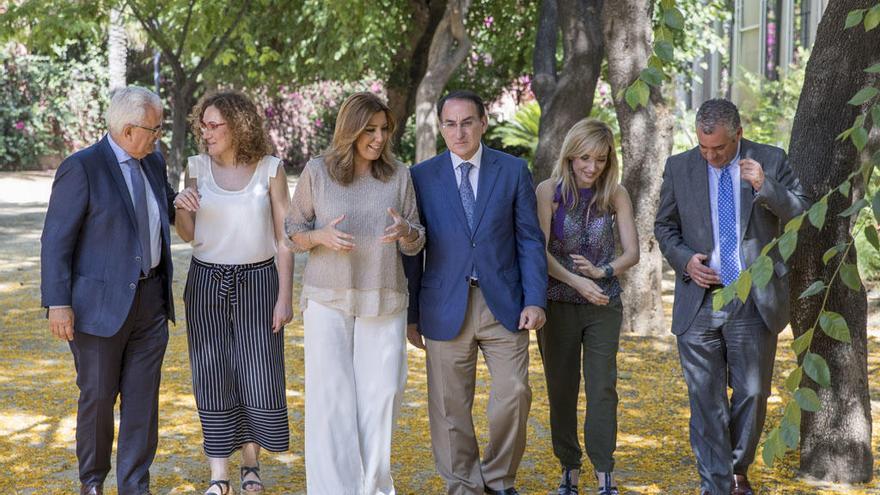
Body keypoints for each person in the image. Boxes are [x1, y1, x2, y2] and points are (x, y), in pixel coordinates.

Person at [654, 98, 810, 495]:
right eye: (703, 147)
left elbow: (803, 215)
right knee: (705, 400)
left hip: (753, 299)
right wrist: (685, 260)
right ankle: (718, 485)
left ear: (738, 134)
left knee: (753, 393)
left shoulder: (770, 160)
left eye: (719, 148)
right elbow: (664, 227)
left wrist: (765, 186)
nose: (710, 156)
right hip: (699, 299)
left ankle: (737, 469)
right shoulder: (680, 167)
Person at [403, 90, 547, 495]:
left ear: (484, 122)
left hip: (505, 303)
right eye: (450, 123)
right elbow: (414, 252)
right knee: (449, 406)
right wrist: (412, 316)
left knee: (514, 393)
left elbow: (530, 240)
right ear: (441, 127)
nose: (459, 131)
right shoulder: (422, 176)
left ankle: (499, 479)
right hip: (444, 303)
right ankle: (463, 484)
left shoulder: (513, 170)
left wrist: (535, 299)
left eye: (467, 122)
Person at [285, 91, 424, 495]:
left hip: (384, 297)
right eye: (370, 130)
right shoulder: (317, 171)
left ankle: (375, 488)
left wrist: (406, 232)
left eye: (384, 129)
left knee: (382, 398)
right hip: (328, 299)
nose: (379, 138)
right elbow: (292, 233)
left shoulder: (399, 174)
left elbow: (417, 238)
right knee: (331, 401)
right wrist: (320, 236)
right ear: (350, 129)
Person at [40, 86, 176, 495]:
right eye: (154, 129)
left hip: (151, 303)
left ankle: (135, 486)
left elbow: (162, 210)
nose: (158, 136)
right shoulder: (82, 167)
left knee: (141, 404)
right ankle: (93, 483)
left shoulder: (153, 161)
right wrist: (58, 303)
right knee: (98, 399)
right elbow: (56, 240)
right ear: (129, 129)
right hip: (96, 308)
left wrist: (183, 200)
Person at [173, 91, 293, 495]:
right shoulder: (196, 168)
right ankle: (219, 475)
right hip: (206, 281)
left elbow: (286, 238)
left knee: (258, 374)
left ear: (239, 125)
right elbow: (190, 236)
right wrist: (182, 208)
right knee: (212, 374)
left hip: (260, 281)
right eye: (202, 125)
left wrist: (285, 296)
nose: (205, 133)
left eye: (214, 125)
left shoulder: (270, 170)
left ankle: (252, 463)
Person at [534, 118, 639, 495]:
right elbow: (540, 252)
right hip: (558, 303)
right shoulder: (548, 192)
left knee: (602, 388)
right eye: (583, 158)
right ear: (569, 156)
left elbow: (632, 252)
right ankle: (568, 469)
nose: (591, 167)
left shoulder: (615, 194)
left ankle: (604, 472)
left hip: (603, 305)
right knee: (561, 388)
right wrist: (579, 280)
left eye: (599, 159)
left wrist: (603, 270)